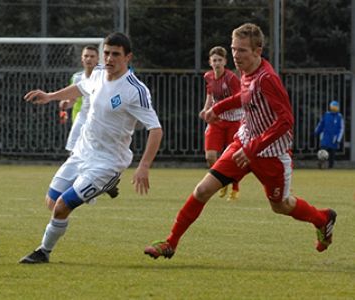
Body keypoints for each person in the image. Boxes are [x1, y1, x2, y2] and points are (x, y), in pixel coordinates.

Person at [144, 23, 336, 259]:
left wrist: (254, 148)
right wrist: (219, 107)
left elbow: (286, 120)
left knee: (281, 206)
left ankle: (322, 218)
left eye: (242, 50)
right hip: (243, 144)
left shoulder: (268, 79)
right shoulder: (245, 72)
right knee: (202, 190)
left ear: (258, 51)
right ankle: (170, 242)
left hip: (271, 155)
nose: (235, 55)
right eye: (233, 49)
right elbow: (244, 97)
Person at [19, 32, 163, 264]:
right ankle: (101, 188)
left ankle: (43, 252)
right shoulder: (96, 74)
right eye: (106, 52)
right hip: (82, 153)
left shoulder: (135, 90)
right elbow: (80, 88)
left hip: (107, 162)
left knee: (62, 206)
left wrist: (144, 166)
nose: (109, 58)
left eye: (115, 54)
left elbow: (155, 129)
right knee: (51, 201)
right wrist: (50, 96)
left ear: (128, 57)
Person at [58, 46, 122, 197]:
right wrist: (65, 104)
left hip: (98, 120)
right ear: (82, 58)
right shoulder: (77, 77)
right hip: (81, 119)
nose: (89, 59)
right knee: (73, 152)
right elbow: (73, 99)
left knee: (96, 153)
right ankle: (88, 185)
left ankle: (101, 181)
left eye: (92, 56)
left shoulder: (103, 75)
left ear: (97, 59)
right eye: (86, 56)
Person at [200, 46, 243, 201]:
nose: (217, 63)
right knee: (210, 155)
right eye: (214, 60)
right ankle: (221, 181)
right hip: (216, 120)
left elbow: (240, 99)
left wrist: (219, 108)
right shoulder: (209, 77)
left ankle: (235, 187)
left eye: (220, 60)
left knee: (233, 157)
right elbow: (210, 95)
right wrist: (205, 110)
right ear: (210, 62)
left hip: (234, 121)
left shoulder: (231, 78)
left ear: (225, 62)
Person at [314, 100, 344, 169]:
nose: (334, 108)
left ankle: (330, 167)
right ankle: (320, 164)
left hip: (334, 139)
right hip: (325, 138)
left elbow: (341, 129)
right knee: (322, 152)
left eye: (336, 107)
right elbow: (321, 124)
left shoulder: (339, 116)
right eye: (333, 107)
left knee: (332, 154)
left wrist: (338, 139)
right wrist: (317, 131)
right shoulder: (326, 115)